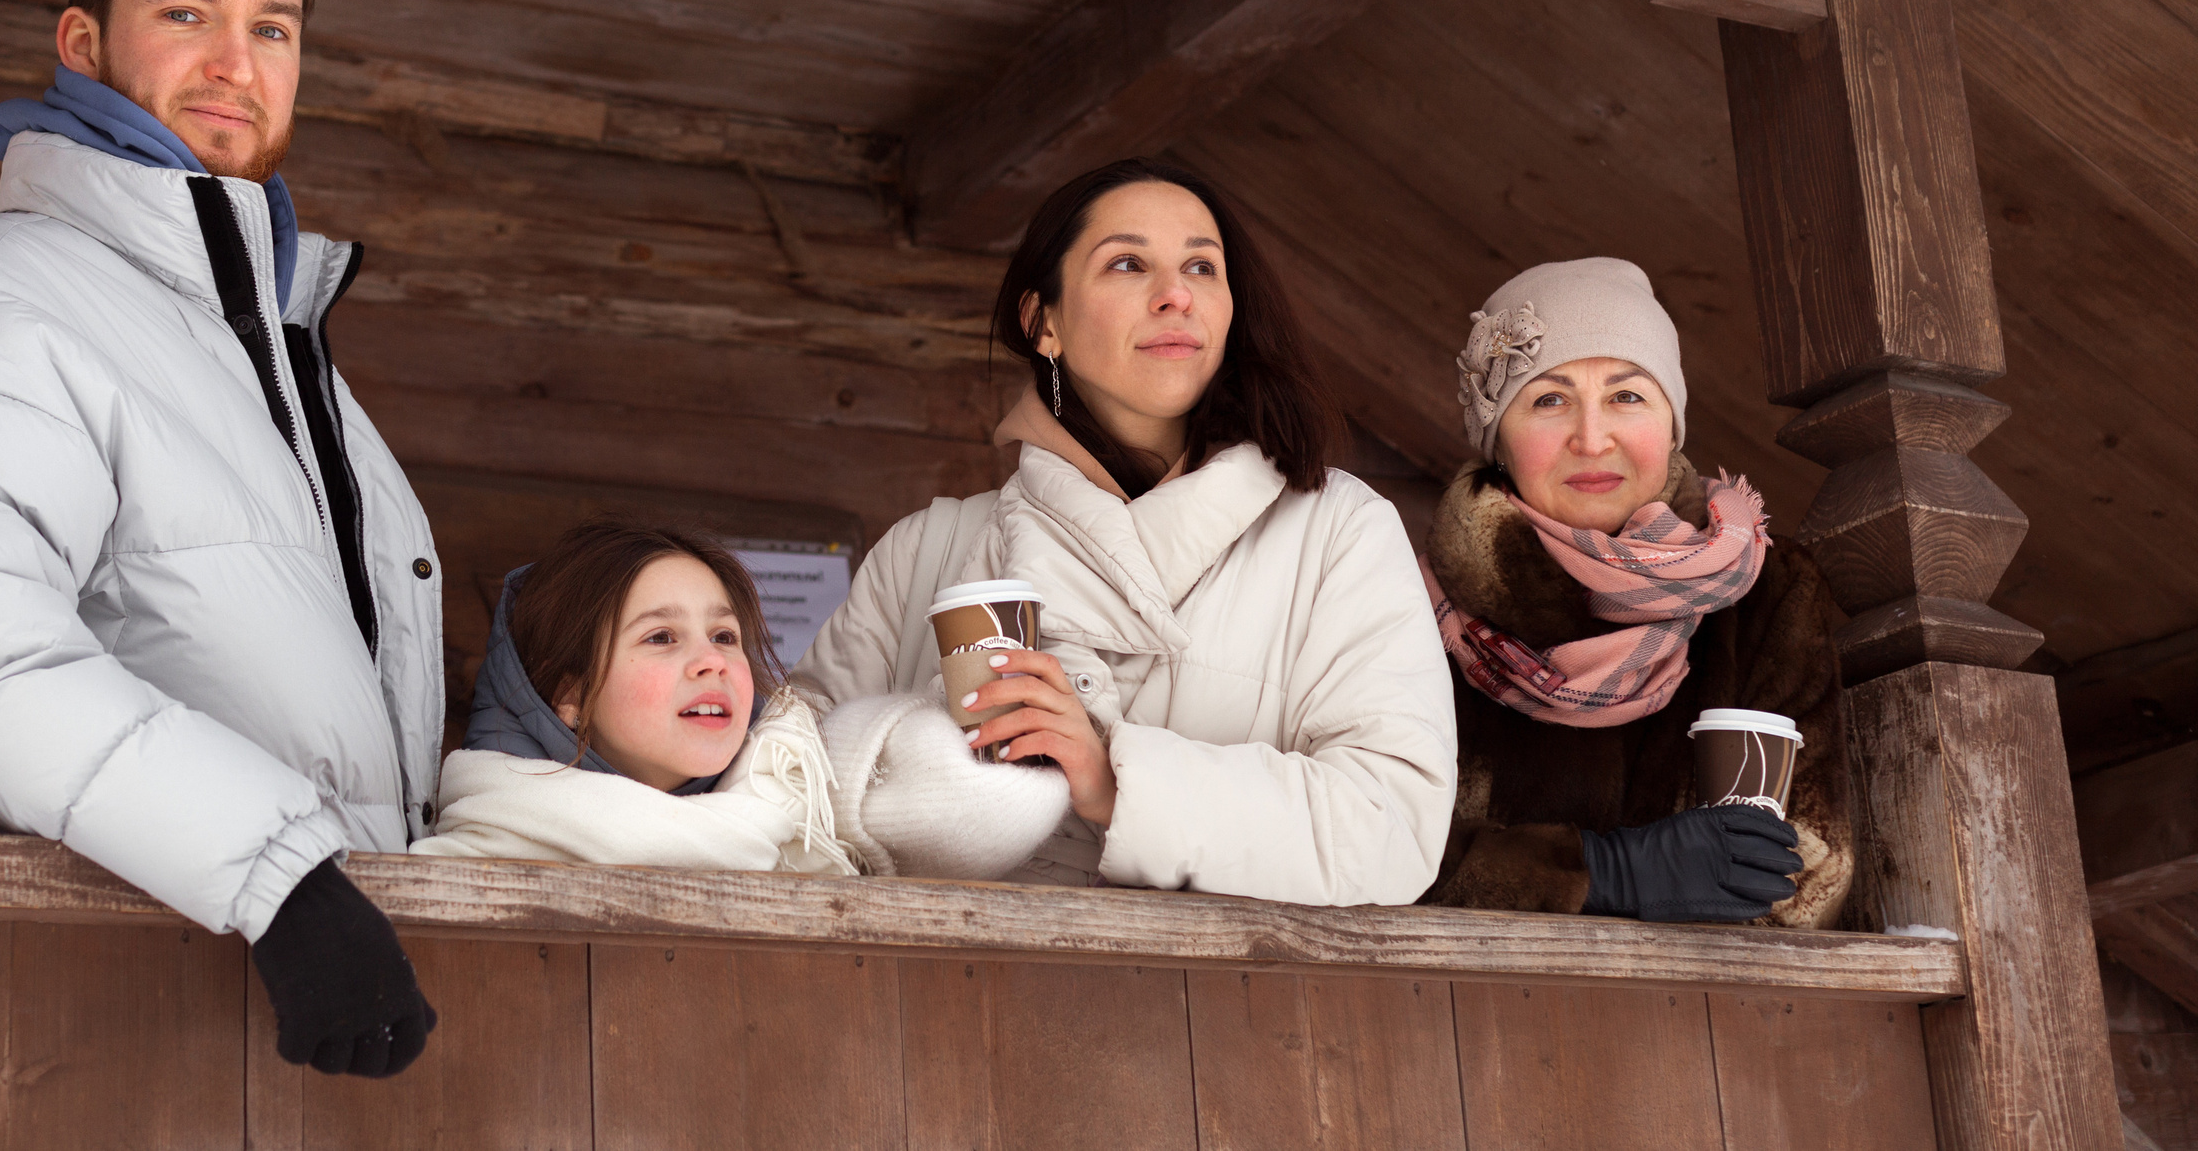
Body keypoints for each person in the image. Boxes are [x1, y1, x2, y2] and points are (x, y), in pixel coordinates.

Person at [0, 0, 444, 1079]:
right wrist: (286, 885)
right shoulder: (12, 291)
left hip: (308, 1011)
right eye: (187, 14)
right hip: (112, 1014)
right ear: (84, 43)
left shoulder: (286, 351)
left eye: (272, 28)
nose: (235, 65)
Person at [790, 158, 1457, 905]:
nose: (1176, 295)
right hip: (955, 1001)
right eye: (1128, 263)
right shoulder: (925, 552)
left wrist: (1115, 781)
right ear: (1042, 321)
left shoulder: (1339, 532)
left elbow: (1391, 828)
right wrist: (924, 770)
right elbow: (788, 805)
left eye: (1202, 267)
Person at [1419, 258, 1852, 926]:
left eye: (1627, 396)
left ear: (1672, 423)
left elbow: (1809, 872)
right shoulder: (1409, 608)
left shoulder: (1770, 597)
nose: (1593, 439)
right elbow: (1374, 850)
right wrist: (1603, 871)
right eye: (1548, 399)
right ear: (1496, 440)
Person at [420, 519, 1068, 881]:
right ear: (570, 696)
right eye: (662, 636)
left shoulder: (788, 804)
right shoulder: (479, 849)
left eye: (725, 635)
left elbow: (986, 804)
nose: (712, 660)